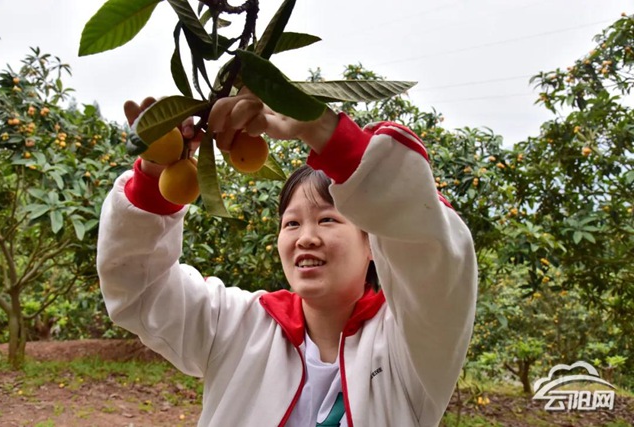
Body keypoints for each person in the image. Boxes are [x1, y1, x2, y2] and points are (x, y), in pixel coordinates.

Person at [97, 90, 478, 427]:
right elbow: (140, 289)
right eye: (291, 223)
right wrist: (155, 176)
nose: (306, 238)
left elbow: (435, 254)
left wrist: (321, 129)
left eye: (327, 220)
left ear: (372, 245)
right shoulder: (238, 326)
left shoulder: (407, 346)